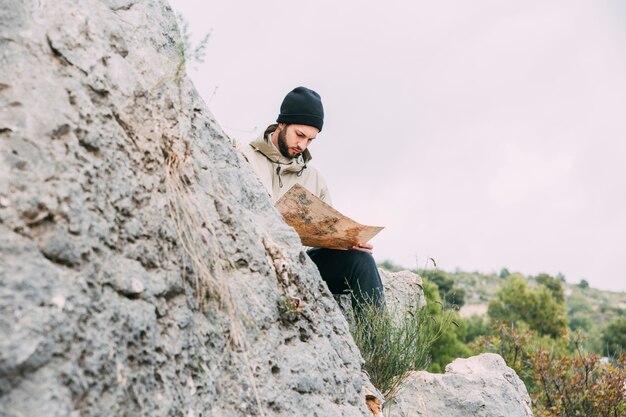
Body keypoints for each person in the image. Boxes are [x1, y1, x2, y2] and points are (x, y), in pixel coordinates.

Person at [241, 86, 384, 310]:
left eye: (310, 140)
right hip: (255, 258)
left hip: (298, 265)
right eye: (299, 135)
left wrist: (350, 243)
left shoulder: (314, 178)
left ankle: (376, 344)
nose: (302, 145)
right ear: (282, 123)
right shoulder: (243, 157)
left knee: (362, 261)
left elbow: (328, 235)